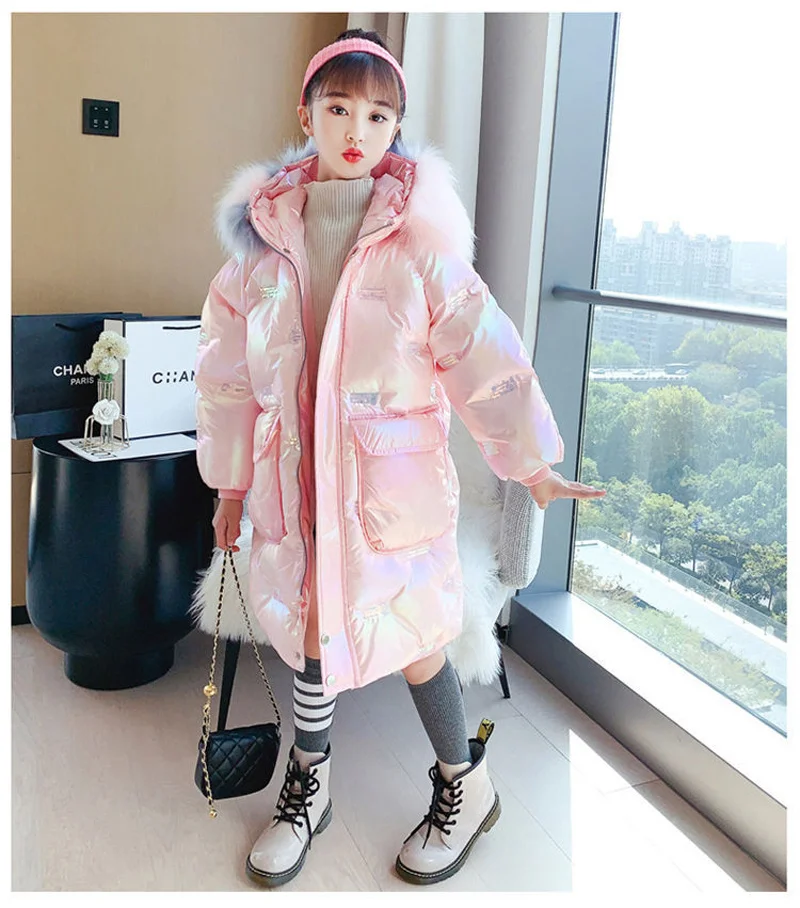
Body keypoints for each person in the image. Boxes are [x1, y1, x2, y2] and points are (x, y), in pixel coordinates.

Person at [195, 28, 606, 889]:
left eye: (379, 116)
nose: (358, 130)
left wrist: (532, 462)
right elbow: (227, 380)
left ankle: (467, 782)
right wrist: (229, 485)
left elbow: (484, 353)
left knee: (419, 641)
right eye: (339, 108)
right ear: (305, 113)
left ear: (396, 127)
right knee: (311, 629)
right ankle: (310, 784)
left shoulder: (419, 247)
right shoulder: (258, 252)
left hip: (392, 494)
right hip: (295, 486)